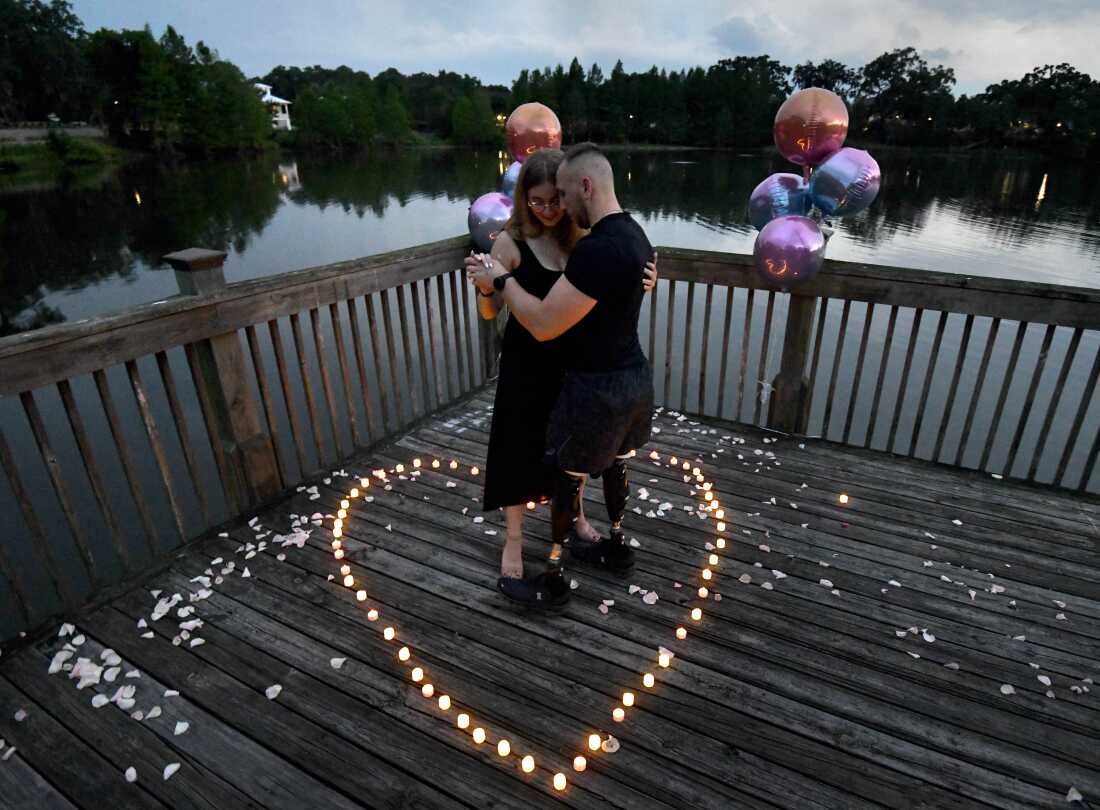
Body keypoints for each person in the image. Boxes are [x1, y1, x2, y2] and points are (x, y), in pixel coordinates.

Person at [467, 142, 655, 610]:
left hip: (572, 365)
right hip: (526, 365)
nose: (551, 208)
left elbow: (601, 289)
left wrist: (644, 278)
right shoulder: (510, 242)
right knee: (517, 450)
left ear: (575, 193)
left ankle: (574, 520)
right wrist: (487, 287)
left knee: (570, 455)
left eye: (557, 198)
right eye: (538, 201)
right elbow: (488, 311)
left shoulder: (585, 242)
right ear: (523, 199)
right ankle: (513, 540)